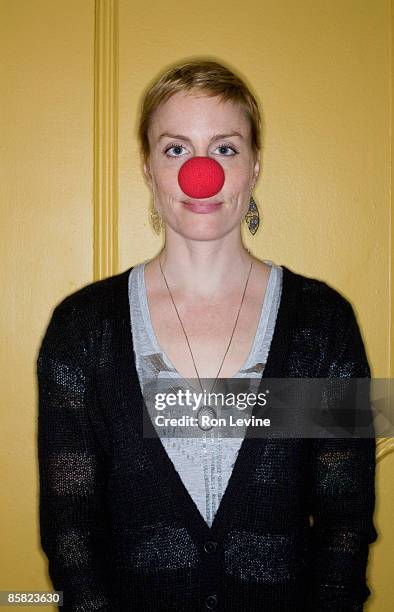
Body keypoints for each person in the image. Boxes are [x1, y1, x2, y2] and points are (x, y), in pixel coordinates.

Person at [37, 59, 378, 611]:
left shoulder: (325, 323)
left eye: (225, 148)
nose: (203, 172)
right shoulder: (80, 329)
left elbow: (346, 517)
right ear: (148, 169)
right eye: (175, 149)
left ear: (255, 166)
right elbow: (70, 528)